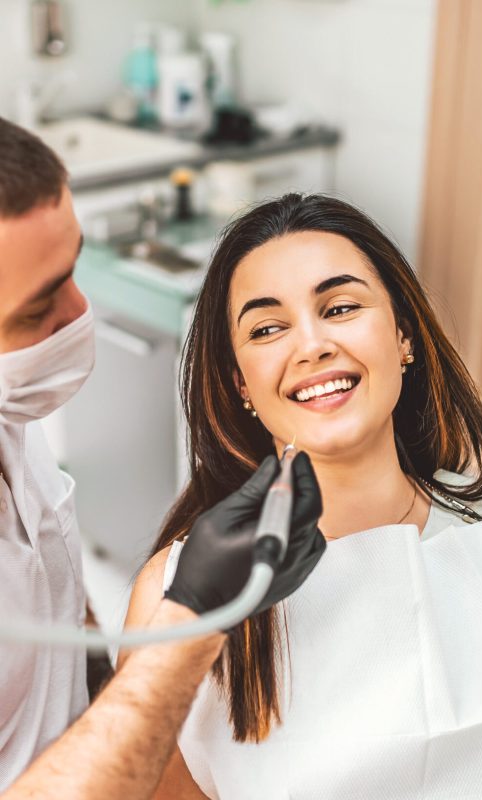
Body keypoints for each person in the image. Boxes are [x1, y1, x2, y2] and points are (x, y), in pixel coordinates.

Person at [123, 192, 482, 799]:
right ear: (241, 383)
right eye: (267, 328)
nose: (311, 345)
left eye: (341, 307)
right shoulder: (178, 594)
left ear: (403, 336)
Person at [0, 117, 324, 799]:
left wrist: (104, 692)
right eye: (37, 310)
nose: (81, 310)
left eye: (73, 270)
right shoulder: (163, 590)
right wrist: (187, 628)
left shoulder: (10, 413)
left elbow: (50, 597)